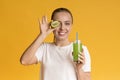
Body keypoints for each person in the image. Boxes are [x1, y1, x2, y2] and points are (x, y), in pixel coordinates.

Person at [20, 7, 91, 80]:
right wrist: (42, 35)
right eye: (58, 23)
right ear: (52, 25)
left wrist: (79, 68)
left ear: (71, 26)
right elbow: (24, 61)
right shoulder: (44, 48)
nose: (62, 28)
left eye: (67, 23)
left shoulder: (81, 50)